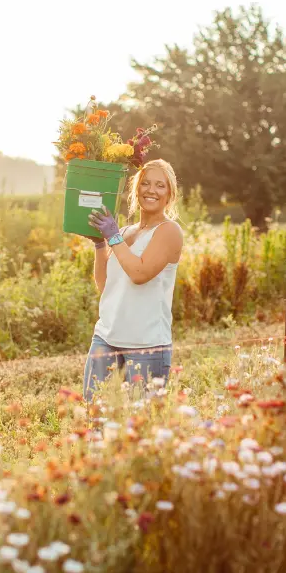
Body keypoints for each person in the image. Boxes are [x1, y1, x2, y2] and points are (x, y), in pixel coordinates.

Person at [82, 158, 183, 401]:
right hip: (106, 338)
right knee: (94, 417)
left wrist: (113, 237)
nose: (151, 190)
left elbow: (139, 274)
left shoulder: (169, 231)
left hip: (145, 346)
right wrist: (99, 244)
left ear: (170, 194)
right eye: (145, 183)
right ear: (136, 189)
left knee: (137, 429)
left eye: (160, 185)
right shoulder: (126, 231)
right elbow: (105, 285)